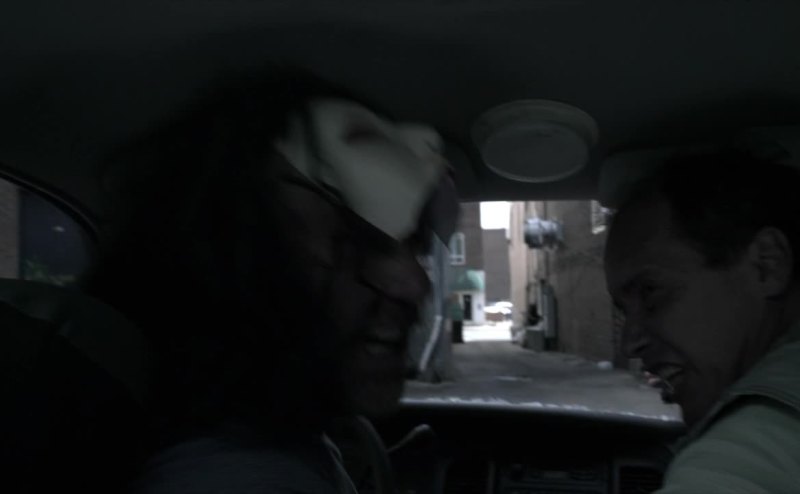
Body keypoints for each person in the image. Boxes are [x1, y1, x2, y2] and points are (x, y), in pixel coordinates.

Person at [82, 69, 459, 493]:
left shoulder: (285, 437)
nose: (415, 284)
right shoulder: (232, 479)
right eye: (355, 241)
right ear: (219, 261)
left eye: (415, 245)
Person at [604, 147, 800, 492]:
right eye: (624, 311)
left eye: (650, 292)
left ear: (766, 265)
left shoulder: (746, 451)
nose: (630, 343)